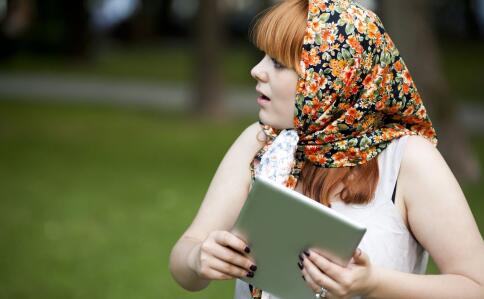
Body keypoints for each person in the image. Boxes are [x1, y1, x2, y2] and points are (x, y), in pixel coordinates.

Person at [169, 0, 484, 298]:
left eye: (278, 63)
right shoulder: (260, 143)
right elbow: (184, 257)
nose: (257, 70)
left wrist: (373, 283)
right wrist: (198, 259)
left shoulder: (407, 159)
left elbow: (476, 285)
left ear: (333, 78)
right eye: (264, 56)